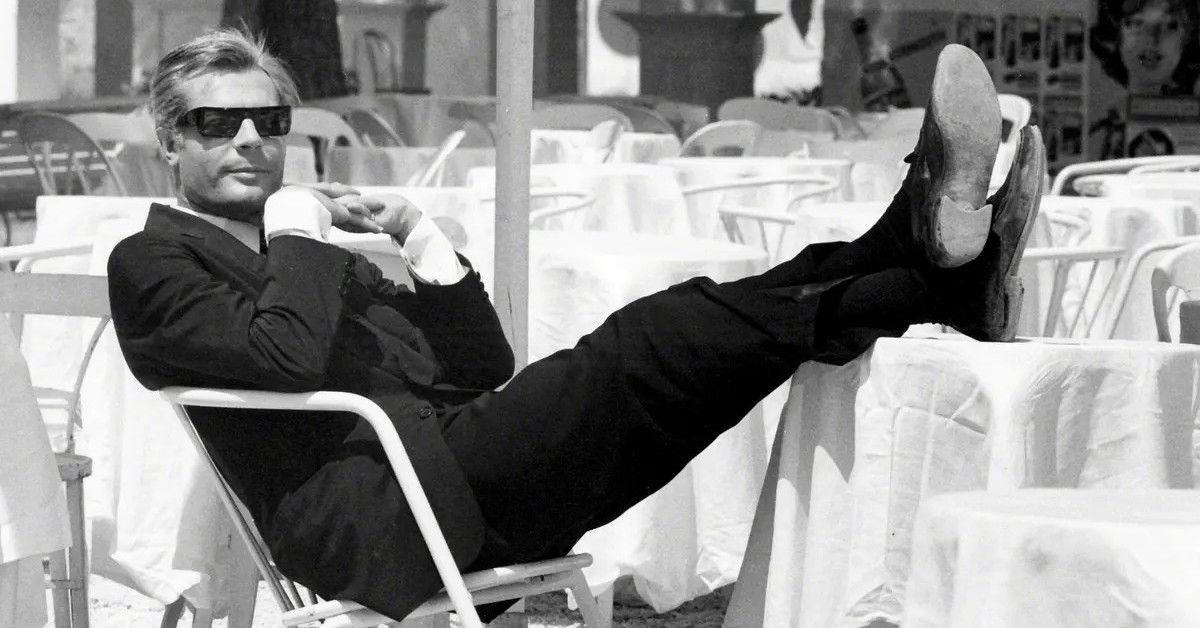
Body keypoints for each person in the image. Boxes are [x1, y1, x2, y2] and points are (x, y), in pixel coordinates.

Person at [107, 29, 1042, 622]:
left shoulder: (306, 251)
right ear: (169, 140)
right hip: (387, 518)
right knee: (651, 341)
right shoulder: (153, 261)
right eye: (216, 123)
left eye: (268, 119)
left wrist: (420, 238)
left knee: (684, 341)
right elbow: (282, 355)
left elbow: (482, 363)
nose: (249, 140)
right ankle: (928, 267)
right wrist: (298, 229)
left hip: (455, 473)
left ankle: (924, 265)